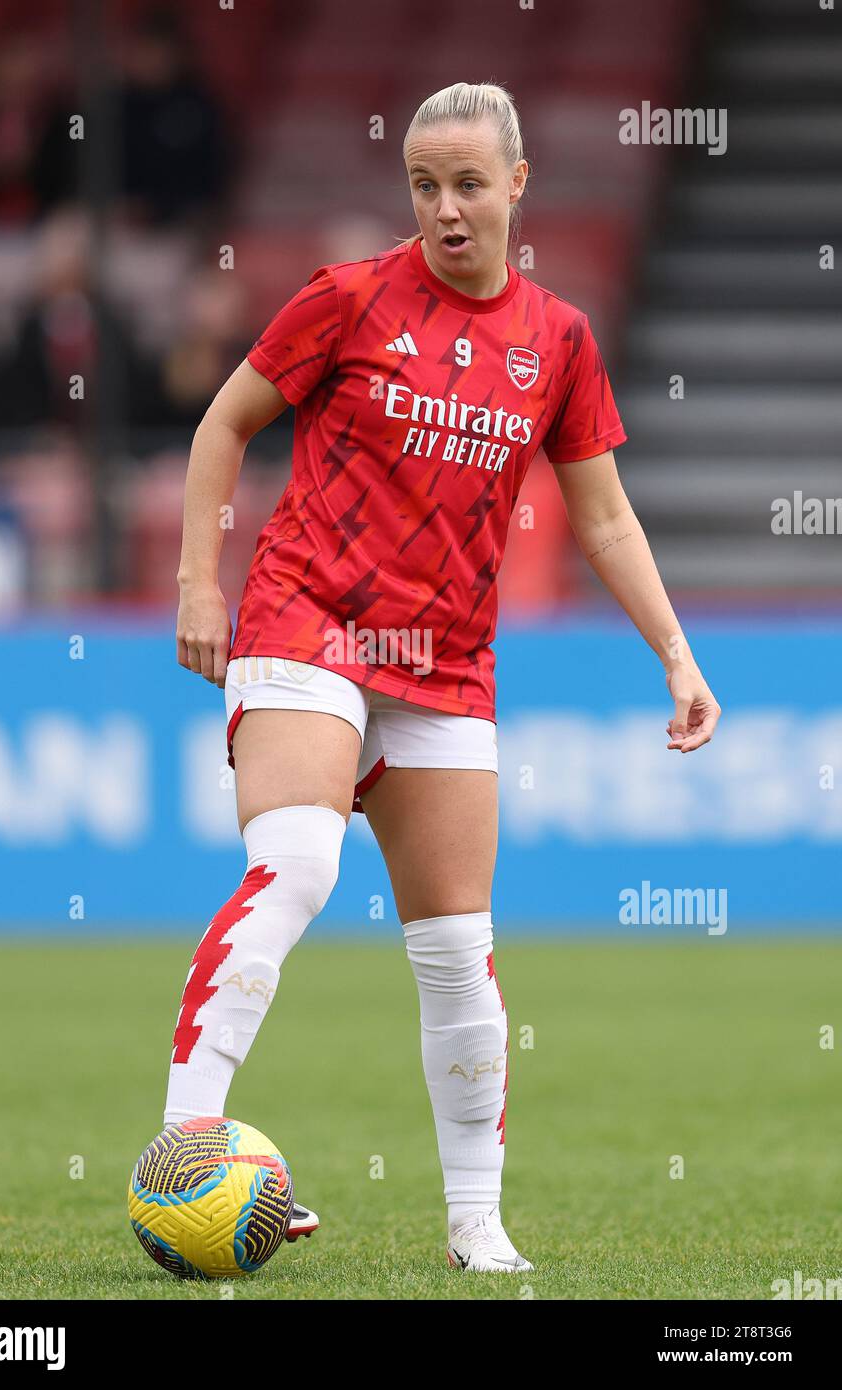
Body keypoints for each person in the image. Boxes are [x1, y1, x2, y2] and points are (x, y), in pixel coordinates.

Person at [165, 81, 721, 1273]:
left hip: (445, 661)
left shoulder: (559, 341)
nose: (446, 209)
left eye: (468, 183)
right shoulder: (349, 299)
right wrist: (198, 585)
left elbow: (606, 520)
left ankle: (475, 1222)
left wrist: (675, 656)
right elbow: (224, 423)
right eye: (424, 185)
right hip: (307, 617)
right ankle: (183, 1147)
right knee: (300, 862)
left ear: (518, 184)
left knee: (457, 955)